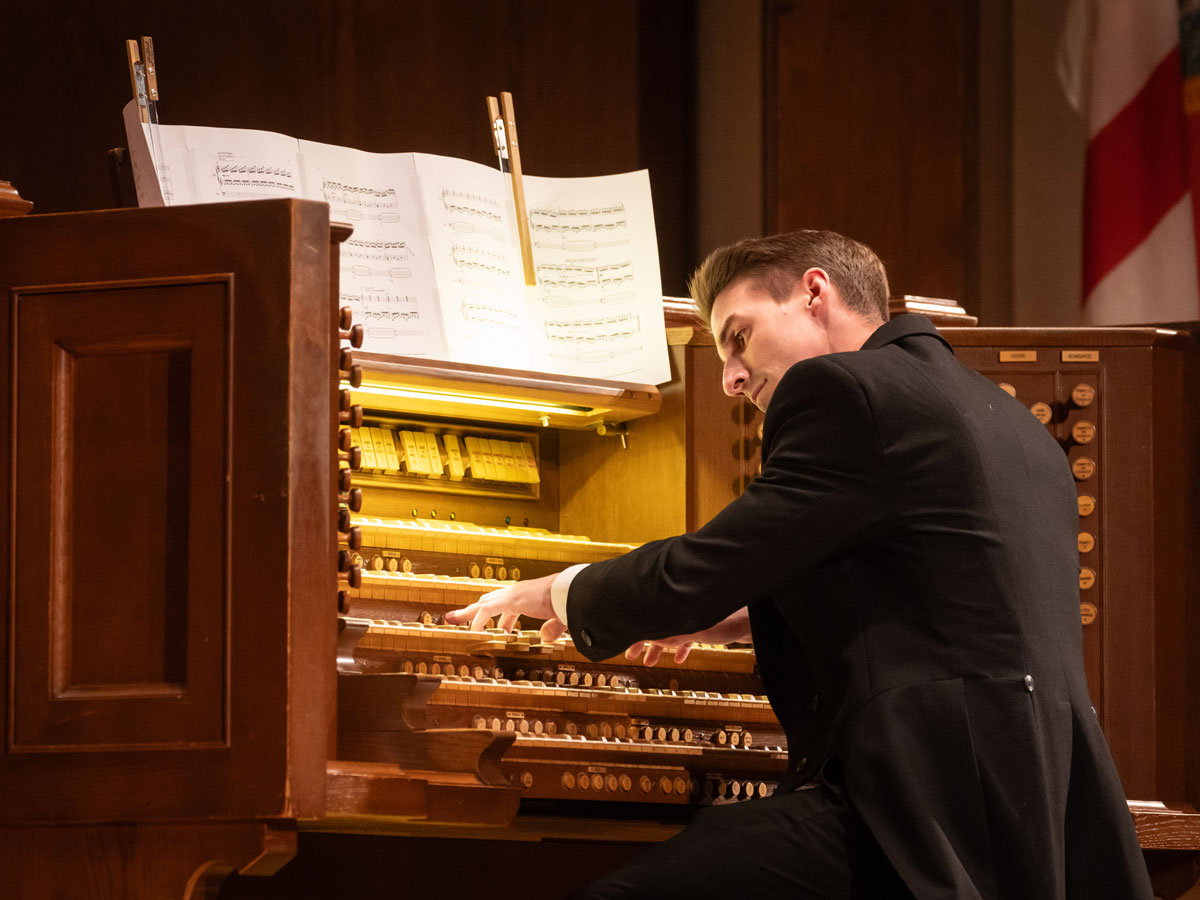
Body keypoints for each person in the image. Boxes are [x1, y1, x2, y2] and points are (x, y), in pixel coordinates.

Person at [445, 230, 1152, 899]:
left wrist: (563, 590)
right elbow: (930, 592)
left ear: (815, 292)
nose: (728, 378)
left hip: (917, 816)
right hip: (1039, 816)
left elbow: (708, 563)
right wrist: (739, 617)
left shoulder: (846, 393)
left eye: (738, 337)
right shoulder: (1007, 420)